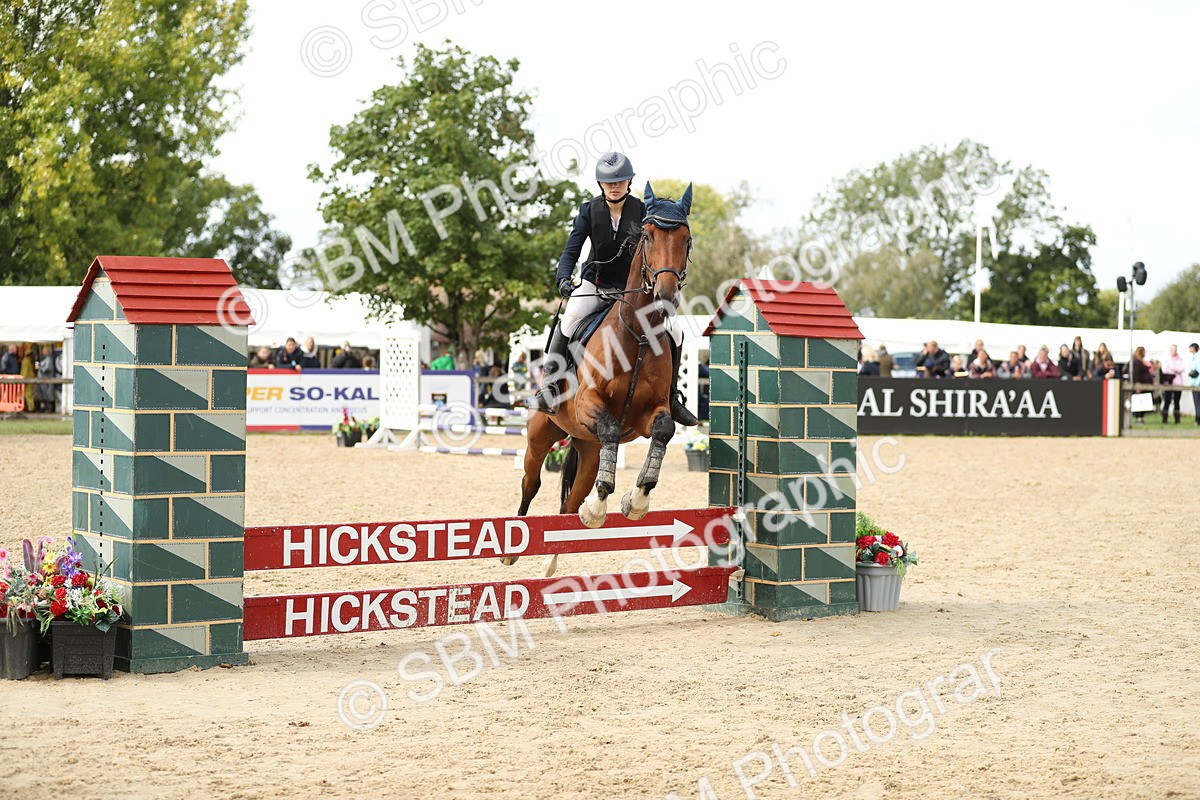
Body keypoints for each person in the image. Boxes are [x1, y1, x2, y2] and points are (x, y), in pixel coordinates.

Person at [530, 151, 697, 425]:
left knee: (675, 330)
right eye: (609, 182)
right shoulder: (589, 211)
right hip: (595, 284)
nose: (615, 186)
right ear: (601, 185)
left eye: (620, 181)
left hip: (632, 290)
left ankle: (672, 396)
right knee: (570, 319)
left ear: (629, 182)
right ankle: (550, 384)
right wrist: (563, 276)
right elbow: (572, 250)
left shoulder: (642, 211)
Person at [1160, 344, 1185, 423]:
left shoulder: (1180, 359)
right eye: (1171, 349)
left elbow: (1182, 368)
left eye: (1174, 349)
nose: (1173, 351)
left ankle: (1177, 419)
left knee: (1177, 402)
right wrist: (1175, 370)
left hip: (1178, 383)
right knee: (1167, 401)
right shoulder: (1166, 359)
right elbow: (1164, 370)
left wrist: (1172, 368)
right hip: (1169, 383)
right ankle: (1165, 419)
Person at [1129, 346, 1153, 424]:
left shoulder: (1141, 361)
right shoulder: (1137, 362)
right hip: (1140, 386)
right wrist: (1138, 384)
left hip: (1145, 385)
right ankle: (1139, 418)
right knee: (1140, 402)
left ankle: (1141, 418)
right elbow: (1136, 374)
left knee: (1143, 401)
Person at [1187, 343, 1200, 425]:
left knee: (1198, 403)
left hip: (1197, 384)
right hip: (1195, 383)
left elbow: (1198, 371)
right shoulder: (1194, 357)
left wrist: (1198, 384)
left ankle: (1198, 420)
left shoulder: (1198, 358)